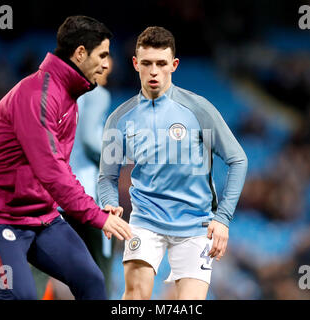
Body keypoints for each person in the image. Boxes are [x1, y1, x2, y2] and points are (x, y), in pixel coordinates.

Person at [0, 16, 132, 300]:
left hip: (42, 216)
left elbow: (63, 169)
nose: (107, 64)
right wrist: (95, 217)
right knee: (20, 296)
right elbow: (51, 170)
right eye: (102, 55)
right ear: (80, 53)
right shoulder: (36, 95)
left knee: (91, 281)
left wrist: (97, 209)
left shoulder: (69, 97)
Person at [98, 26, 248, 300]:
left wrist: (223, 218)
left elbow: (238, 159)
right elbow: (106, 178)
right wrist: (109, 206)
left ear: (174, 65)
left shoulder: (199, 109)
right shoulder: (119, 119)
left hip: (195, 224)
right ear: (135, 64)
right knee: (135, 297)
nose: (153, 71)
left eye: (161, 63)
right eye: (146, 63)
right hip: (145, 220)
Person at [42, 57, 116, 299]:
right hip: (88, 196)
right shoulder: (97, 94)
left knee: (42, 271)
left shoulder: (58, 95)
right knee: (100, 271)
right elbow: (89, 140)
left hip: (57, 195)